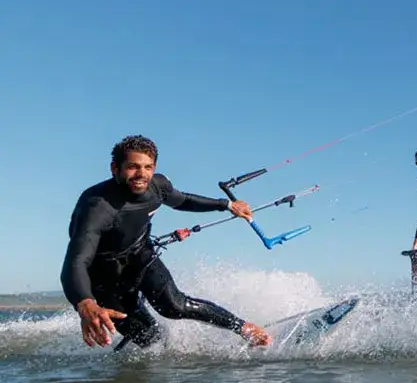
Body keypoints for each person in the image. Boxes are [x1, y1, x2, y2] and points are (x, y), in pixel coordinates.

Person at [59, 134, 272, 350]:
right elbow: (76, 262)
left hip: (140, 256)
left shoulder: (157, 187)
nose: (141, 174)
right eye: (133, 167)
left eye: (148, 167)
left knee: (175, 306)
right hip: (103, 279)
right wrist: (85, 303)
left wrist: (226, 205)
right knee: (150, 338)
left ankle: (244, 328)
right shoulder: (97, 207)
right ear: (115, 168)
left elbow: (184, 201)